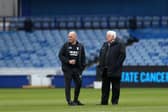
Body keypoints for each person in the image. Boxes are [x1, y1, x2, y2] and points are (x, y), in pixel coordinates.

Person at [98, 30, 126, 105]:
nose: (106, 37)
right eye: (107, 36)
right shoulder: (105, 44)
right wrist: (101, 64)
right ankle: (104, 102)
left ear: (113, 36)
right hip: (105, 69)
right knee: (105, 87)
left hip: (115, 70)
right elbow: (101, 55)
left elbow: (122, 56)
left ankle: (114, 101)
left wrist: (116, 66)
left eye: (108, 36)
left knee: (115, 87)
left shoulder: (120, 44)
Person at [58, 31, 86, 106]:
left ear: (75, 37)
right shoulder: (65, 45)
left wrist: (82, 68)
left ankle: (76, 100)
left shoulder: (80, 46)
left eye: (70, 37)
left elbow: (83, 57)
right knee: (68, 84)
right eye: (68, 37)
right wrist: (68, 61)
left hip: (77, 69)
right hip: (68, 69)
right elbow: (60, 55)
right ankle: (69, 101)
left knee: (79, 83)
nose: (69, 38)